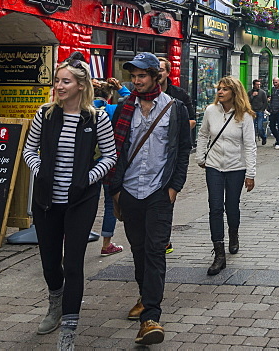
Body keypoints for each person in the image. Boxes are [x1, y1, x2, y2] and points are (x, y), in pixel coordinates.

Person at [23, 54, 116, 350]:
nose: (59, 86)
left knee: (73, 263)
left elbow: (110, 156)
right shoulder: (45, 114)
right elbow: (29, 150)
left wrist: (87, 179)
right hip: (47, 200)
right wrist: (43, 172)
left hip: (80, 200)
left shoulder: (96, 117)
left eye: (65, 81)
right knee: (50, 263)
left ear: (80, 85)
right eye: (57, 81)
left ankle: (69, 331)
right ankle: (55, 303)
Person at [106, 53, 192, 346]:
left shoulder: (174, 109)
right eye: (133, 76)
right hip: (129, 191)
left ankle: (151, 318)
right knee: (140, 250)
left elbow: (183, 151)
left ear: (158, 77)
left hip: (159, 191)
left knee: (156, 251)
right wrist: (115, 190)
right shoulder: (123, 109)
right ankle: (146, 296)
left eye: (142, 76)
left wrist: (174, 187)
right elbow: (112, 151)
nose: (136, 81)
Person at [196, 76, 257, 276]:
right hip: (214, 166)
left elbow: (250, 146)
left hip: (236, 168)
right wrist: (200, 156)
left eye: (224, 89)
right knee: (215, 208)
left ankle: (233, 233)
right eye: (219, 89)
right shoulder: (210, 111)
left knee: (232, 206)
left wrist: (251, 173)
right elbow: (203, 133)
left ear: (234, 93)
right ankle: (219, 253)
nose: (220, 92)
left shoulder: (245, 116)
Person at [157, 57, 195, 255]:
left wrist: (172, 130)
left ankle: (164, 240)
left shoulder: (179, 96)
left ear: (168, 72)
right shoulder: (141, 97)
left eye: (161, 69)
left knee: (165, 202)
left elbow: (191, 121)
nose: (158, 73)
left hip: (170, 155)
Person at [92, 83, 123, 256]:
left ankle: (75, 239)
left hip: (90, 161)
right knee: (110, 203)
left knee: (88, 203)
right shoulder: (112, 109)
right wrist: (120, 88)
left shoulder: (85, 107)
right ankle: (106, 243)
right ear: (109, 95)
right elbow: (130, 99)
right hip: (109, 162)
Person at [248, 79, 268, 144]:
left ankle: (263, 137)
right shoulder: (250, 92)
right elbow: (247, 101)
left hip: (260, 111)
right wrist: (252, 96)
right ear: (254, 85)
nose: (258, 86)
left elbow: (265, 102)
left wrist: (262, 109)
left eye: (259, 84)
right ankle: (254, 141)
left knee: (260, 127)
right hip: (252, 112)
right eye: (257, 84)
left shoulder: (262, 93)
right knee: (252, 127)